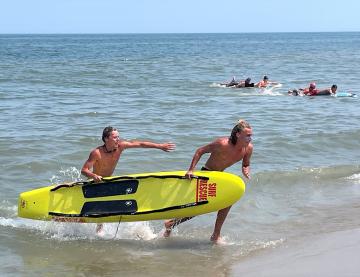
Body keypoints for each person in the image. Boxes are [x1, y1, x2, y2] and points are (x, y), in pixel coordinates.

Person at [163, 119, 253, 243]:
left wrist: (245, 169)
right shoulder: (222, 143)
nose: (250, 138)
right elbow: (200, 151)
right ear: (238, 134)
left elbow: (246, 164)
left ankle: (215, 235)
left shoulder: (248, 149)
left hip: (220, 177)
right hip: (206, 174)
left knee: (229, 200)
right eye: (247, 135)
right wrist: (191, 170)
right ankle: (171, 223)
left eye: (251, 135)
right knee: (198, 208)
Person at [81, 126, 176, 233]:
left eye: (118, 137)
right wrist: (94, 176)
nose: (118, 139)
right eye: (115, 137)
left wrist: (160, 146)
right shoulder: (97, 153)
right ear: (106, 139)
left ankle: (107, 229)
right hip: (96, 183)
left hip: (109, 182)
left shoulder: (121, 146)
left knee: (112, 206)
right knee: (101, 209)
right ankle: (98, 231)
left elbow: (140, 144)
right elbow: (84, 170)